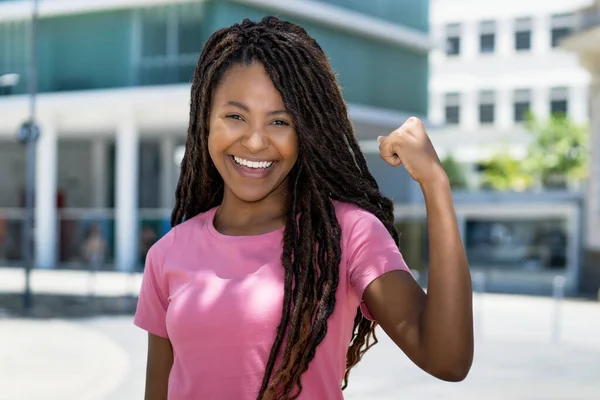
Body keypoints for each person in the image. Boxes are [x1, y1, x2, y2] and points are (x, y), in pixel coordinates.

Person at [134, 16, 473, 400]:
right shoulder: (168, 253)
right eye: (235, 116)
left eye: (280, 121)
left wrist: (436, 185)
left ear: (306, 132)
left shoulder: (347, 234)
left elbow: (448, 359)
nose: (256, 141)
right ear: (204, 122)